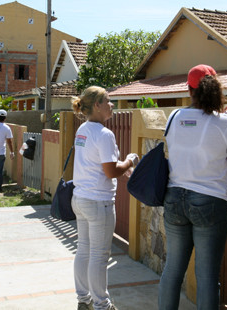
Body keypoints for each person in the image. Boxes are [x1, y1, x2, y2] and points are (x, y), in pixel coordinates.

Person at [158, 65, 227, 310]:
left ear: (189, 90)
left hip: (174, 198)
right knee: (207, 277)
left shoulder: (175, 117)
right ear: (215, 89)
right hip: (210, 202)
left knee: (173, 270)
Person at [71, 86, 139, 310]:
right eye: (108, 101)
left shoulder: (83, 129)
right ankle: (102, 305)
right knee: (100, 256)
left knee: (84, 250)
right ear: (97, 105)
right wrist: (130, 161)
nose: (112, 105)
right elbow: (111, 171)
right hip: (98, 202)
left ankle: (84, 299)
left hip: (80, 198)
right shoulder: (104, 134)